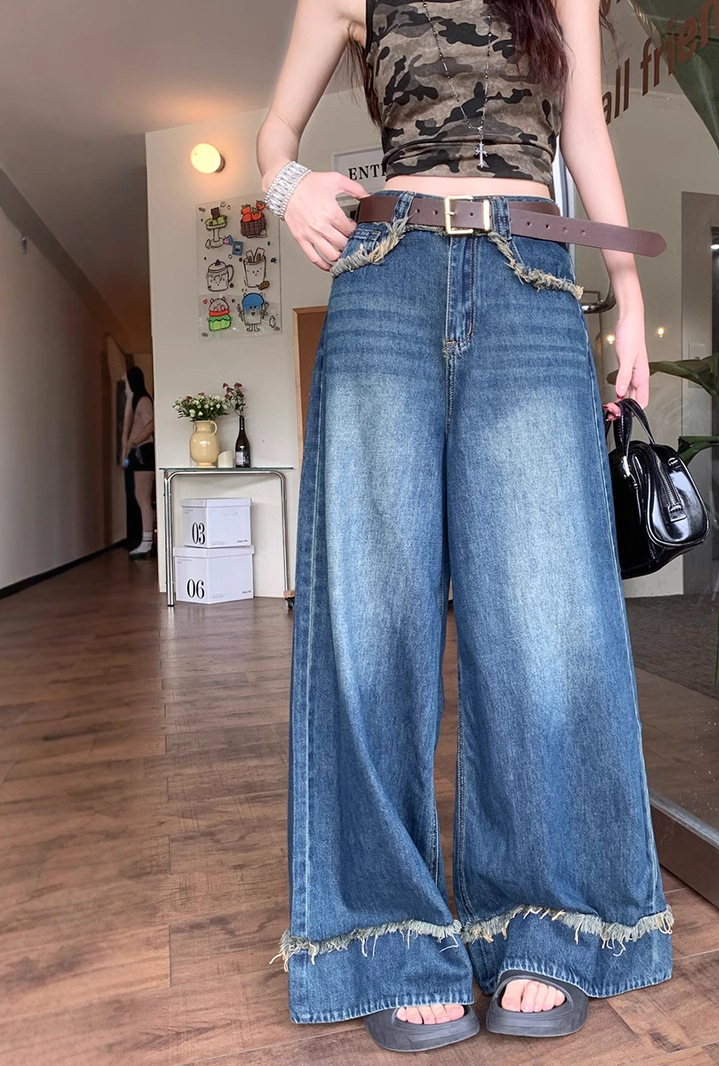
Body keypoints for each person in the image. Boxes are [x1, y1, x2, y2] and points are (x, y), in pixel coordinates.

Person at [258, 0, 673, 1051]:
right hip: (385, 274)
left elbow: (584, 132)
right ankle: (387, 933)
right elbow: (275, 132)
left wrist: (627, 289)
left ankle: (545, 918)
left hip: (532, 276)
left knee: (542, 615)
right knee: (374, 617)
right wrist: (285, 184)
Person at [121, 367, 155, 559]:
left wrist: (134, 441)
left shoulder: (143, 400)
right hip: (139, 452)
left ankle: (147, 542)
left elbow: (151, 424)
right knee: (140, 497)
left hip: (143, 452)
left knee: (143, 498)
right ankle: (145, 540)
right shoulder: (139, 400)